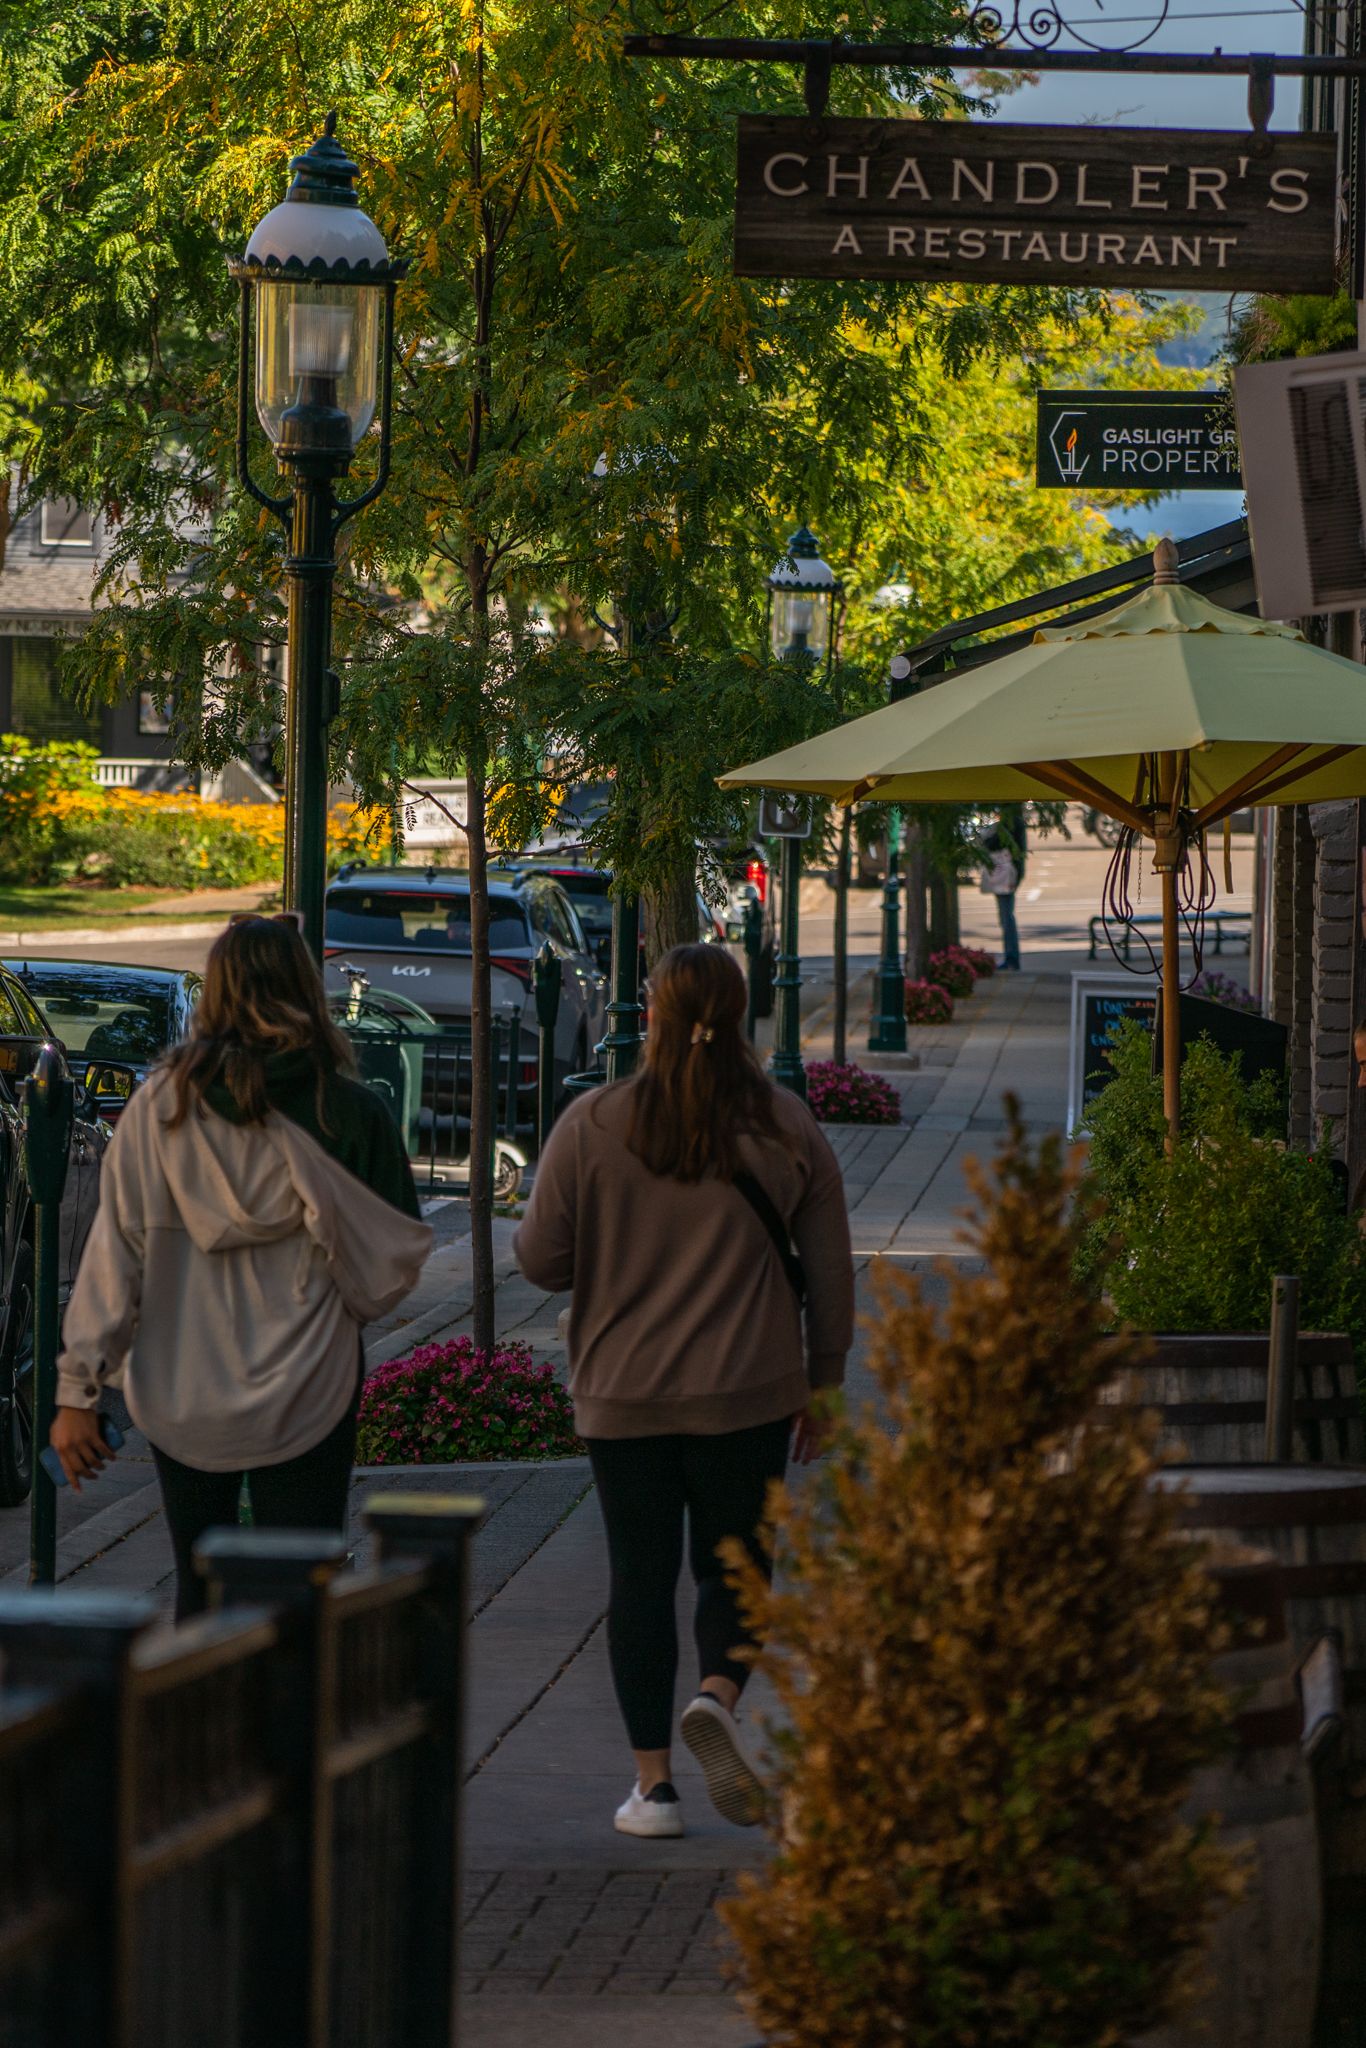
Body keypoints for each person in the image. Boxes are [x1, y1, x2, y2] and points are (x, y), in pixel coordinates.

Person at [513, 943, 854, 1840]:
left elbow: (541, 1262)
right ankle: (717, 1695)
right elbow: (830, 1274)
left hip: (624, 1395)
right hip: (749, 1391)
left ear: (653, 1013)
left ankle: (652, 1788)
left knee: (640, 1576)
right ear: (742, 1017)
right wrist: (827, 1386)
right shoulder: (787, 1126)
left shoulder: (592, 1123)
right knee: (736, 1566)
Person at [49, 915, 432, 1620]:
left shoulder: (159, 1111)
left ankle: (209, 1729)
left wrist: (78, 1392)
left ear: (217, 994)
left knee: (198, 1584)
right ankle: (287, 1729)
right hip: (310, 1383)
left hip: (182, 1382)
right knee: (301, 1592)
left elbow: (114, 1256)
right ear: (306, 990)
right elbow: (392, 1268)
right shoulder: (349, 1113)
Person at [982, 803, 1027, 970]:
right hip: (1010, 872)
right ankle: (1011, 956)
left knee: (1006, 917)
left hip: (1007, 874)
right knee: (1006, 916)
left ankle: (1012, 957)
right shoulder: (1015, 821)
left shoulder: (1010, 823)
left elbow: (993, 842)